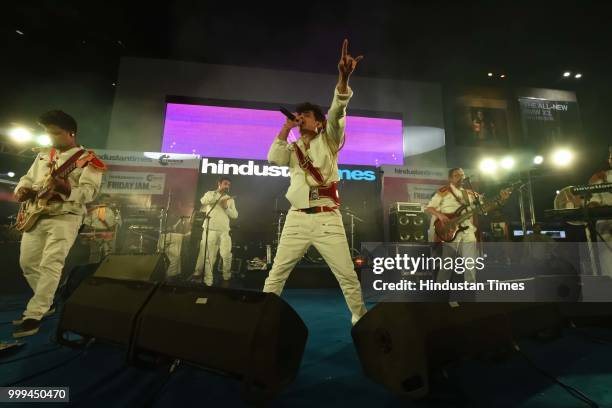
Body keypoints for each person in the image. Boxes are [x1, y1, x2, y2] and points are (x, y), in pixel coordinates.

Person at [264, 39, 367, 325]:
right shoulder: (292, 148)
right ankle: (260, 318)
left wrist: (344, 78)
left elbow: (338, 110)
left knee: (346, 275)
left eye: (306, 116)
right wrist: (286, 128)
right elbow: (273, 158)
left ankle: (361, 320)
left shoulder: (330, 138)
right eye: (300, 116)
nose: (301, 118)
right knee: (277, 273)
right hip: (296, 219)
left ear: (319, 123)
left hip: (327, 219)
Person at [13, 110, 105, 338]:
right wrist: (22, 189)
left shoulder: (88, 159)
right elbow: (27, 178)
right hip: (36, 214)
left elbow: (90, 193)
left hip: (66, 216)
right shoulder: (44, 155)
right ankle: (47, 303)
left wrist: (67, 189)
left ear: (71, 133)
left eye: (56, 133)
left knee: (51, 263)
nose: (52, 137)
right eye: (48, 133)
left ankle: (34, 314)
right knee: (27, 263)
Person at [425, 168, 481, 283]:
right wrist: (440, 215)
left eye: (462, 175)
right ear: (450, 178)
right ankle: (441, 290)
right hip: (451, 229)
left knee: (470, 260)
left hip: (466, 228)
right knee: (448, 262)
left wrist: (500, 199)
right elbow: (429, 208)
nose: (461, 177)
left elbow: (482, 208)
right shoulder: (443, 191)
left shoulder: (470, 194)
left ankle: (470, 288)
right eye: (456, 175)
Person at [193, 176, 238, 287]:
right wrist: (217, 195)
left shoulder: (230, 199)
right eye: (225, 183)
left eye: (228, 184)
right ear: (219, 183)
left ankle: (226, 276)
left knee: (226, 254)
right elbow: (203, 201)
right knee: (209, 256)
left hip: (224, 231)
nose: (227, 186)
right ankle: (209, 280)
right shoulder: (210, 193)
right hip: (211, 229)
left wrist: (226, 207)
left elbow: (235, 215)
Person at [587, 146, 612, 277]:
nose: (611, 160)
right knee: (606, 262)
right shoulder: (600, 176)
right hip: (606, 226)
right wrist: (591, 204)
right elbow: (596, 198)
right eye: (610, 157)